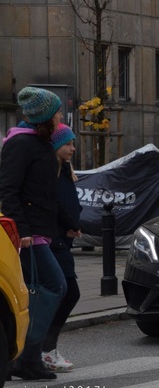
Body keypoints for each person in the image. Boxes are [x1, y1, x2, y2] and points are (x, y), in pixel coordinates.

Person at [0, 86, 67, 381]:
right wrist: (23, 231)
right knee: (54, 286)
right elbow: (9, 190)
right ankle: (27, 355)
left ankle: (27, 356)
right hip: (28, 233)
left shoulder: (41, 142)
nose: (61, 116)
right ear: (47, 117)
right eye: (58, 112)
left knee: (47, 288)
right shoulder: (21, 145)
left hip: (41, 229)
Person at [41, 124, 82, 372]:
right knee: (67, 291)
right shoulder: (52, 172)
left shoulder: (65, 170)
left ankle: (44, 347)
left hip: (62, 239)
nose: (73, 148)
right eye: (68, 144)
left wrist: (73, 225)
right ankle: (45, 347)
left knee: (64, 292)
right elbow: (56, 203)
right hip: (53, 240)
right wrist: (70, 224)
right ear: (56, 146)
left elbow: (69, 202)